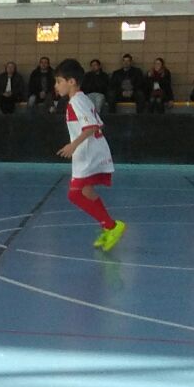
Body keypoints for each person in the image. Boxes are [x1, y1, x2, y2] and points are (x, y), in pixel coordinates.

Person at [53, 59, 124, 252]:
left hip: (88, 152)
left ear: (71, 82)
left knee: (75, 194)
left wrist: (73, 145)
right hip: (88, 151)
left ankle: (111, 226)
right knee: (86, 191)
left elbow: (91, 127)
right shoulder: (81, 99)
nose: (56, 86)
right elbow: (97, 123)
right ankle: (108, 226)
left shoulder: (77, 101)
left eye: (59, 81)